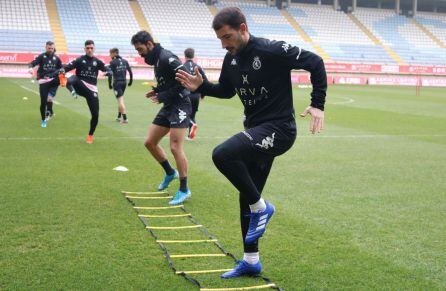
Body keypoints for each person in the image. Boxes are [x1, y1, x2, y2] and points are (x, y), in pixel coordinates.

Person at [176, 7, 327, 278]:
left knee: (222, 155)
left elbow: (316, 62)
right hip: (256, 131)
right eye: (220, 39)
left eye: (228, 37)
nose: (224, 44)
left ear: (243, 29)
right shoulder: (230, 58)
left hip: (280, 129)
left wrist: (318, 104)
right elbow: (225, 90)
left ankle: (262, 208)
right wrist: (202, 87)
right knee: (246, 195)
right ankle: (251, 260)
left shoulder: (271, 50)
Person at [131, 31, 193, 205]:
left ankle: (184, 189)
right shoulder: (157, 59)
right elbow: (169, 82)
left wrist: (163, 95)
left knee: (175, 147)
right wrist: (158, 91)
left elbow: (184, 81)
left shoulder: (166, 57)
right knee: (150, 143)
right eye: (137, 50)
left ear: (149, 44)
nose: (140, 53)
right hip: (169, 105)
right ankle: (169, 172)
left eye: (140, 49)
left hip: (180, 104)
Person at [60, 40, 111, 144]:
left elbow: (107, 69)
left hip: (91, 90)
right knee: (73, 78)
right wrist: (62, 71)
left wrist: (108, 73)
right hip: (80, 85)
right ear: (84, 49)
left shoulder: (98, 61)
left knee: (95, 115)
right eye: (88, 48)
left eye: (91, 48)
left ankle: (90, 136)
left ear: (94, 49)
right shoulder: (79, 60)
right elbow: (67, 67)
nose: (90, 50)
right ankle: (71, 89)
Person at [28, 41, 62, 128]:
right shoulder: (41, 56)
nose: (50, 50)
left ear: (54, 48)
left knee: (49, 98)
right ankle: (44, 119)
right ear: (45, 48)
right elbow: (32, 63)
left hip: (53, 81)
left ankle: (49, 113)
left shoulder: (57, 58)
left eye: (52, 48)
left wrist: (62, 77)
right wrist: (31, 68)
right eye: (49, 48)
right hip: (43, 82)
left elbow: (61, 69)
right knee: (43, 102)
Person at [183, 48, 207, 140]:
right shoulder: (198, 67)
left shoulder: (182, 66)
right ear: (193, 55)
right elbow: (204, 81)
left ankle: (192, 124)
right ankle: (190, 136)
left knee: (183, 114)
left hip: (186, 94)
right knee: (192, 115)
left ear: (185, 55)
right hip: (196, 95)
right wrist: (203, 94)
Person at [108, 48, 133, 124]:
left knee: (120, 100)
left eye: (110, 53)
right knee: (120, 99)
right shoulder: (125, 61)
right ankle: (119, 117)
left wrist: (109, 84)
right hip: (124, 83)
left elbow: (110, 74)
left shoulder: (112, 62)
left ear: (115, 53)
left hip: (117, 83)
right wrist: (130, 81)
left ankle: (125, 119)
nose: (110, 55)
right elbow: (130, 72)